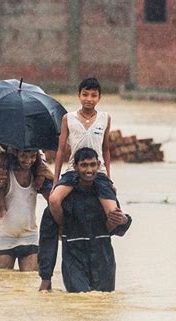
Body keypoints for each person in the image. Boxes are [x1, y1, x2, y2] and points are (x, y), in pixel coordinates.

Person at [38, 147, 131, 292]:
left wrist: (124, 220)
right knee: (78, 301)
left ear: (98, 165)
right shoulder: (64, 200)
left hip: (103, 259)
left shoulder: (105, 195)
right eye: (84, 165)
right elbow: (47, 239)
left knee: (103, 304)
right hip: (74, 260)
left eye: (93, 165)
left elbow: (116, 227)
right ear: (75, 167)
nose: (89, 170)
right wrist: (46, 277)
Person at [49, 77, 117, 230]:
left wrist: (109, 178)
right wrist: (55, 181)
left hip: (98, 171)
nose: (89, 99)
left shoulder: (105, 118)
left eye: (94, 95)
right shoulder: (68, 119)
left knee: (113, 212)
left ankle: (103, 234)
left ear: (99, 97)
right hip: (74, 170)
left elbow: (106, 149)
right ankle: (63, 228)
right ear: (79, 95)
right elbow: (60, 151)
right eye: (85, 94)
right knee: (54, 200)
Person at [0, 148, 53, 271]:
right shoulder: (2, 174)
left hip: (30, 238)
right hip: (5, 238)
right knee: (3, 286)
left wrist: (51, 176)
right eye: (24, 156)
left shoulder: (37, 175)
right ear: (16, 154)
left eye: (32, 156)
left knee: (29, 284)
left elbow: (53, 201)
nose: (28, 161)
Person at [0, 139, 45, 219]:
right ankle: (1, 205)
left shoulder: (20, 136)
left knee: (45, 180)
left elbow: (37, 156)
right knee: (0, 158)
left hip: (27, 159)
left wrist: (40, 175)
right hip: (3, 166)